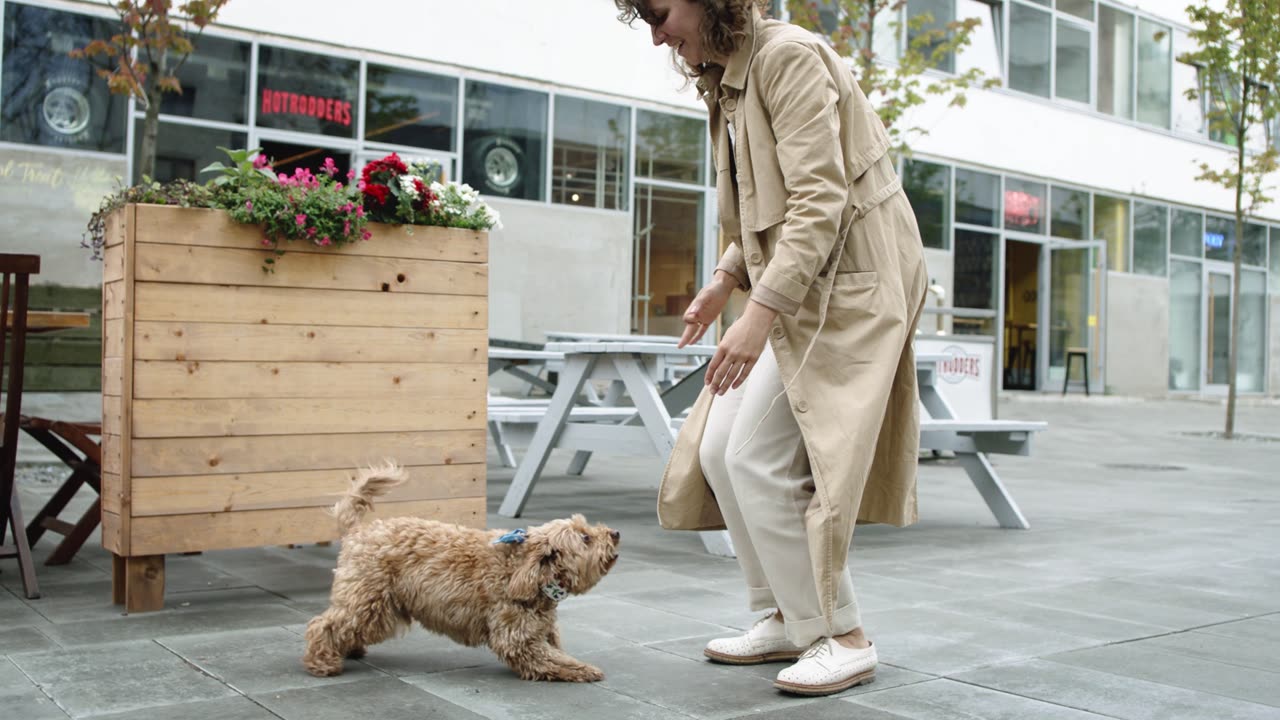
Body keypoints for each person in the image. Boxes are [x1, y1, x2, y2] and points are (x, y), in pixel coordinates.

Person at [613, 0, 928, 697]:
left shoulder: (785, 57)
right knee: (722, 450)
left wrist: (757, 316)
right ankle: (786, 617)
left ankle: (841, 636)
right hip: (806, 281)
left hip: (848, 283)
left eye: (659, 12)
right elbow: (768, 202)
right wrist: (726, 281)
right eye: (644, 19)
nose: (658, 32)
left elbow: (819, 200)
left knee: (756, 454)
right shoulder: (729, 75)